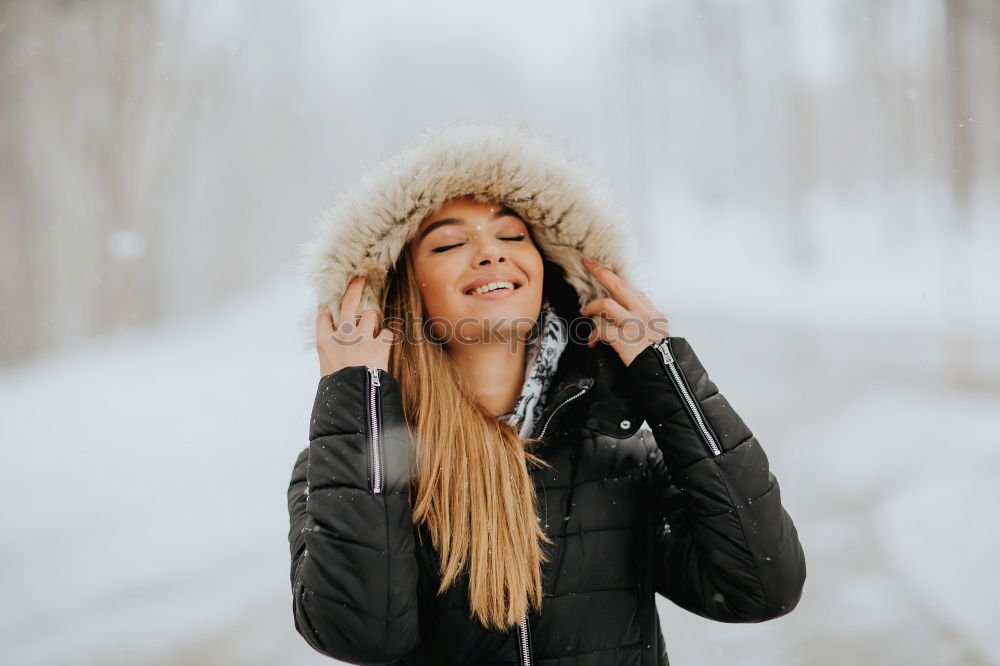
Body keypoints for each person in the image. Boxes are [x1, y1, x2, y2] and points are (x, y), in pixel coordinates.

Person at [287, 124, 806, 665]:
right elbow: (361, 635)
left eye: (513, 237)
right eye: (449, 242)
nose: (491, 253)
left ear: (548, 270)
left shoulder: (621, 456)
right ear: (401, 292)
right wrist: (355, 397)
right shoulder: (354, 465)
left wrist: (665, 373)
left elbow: (764, 585)